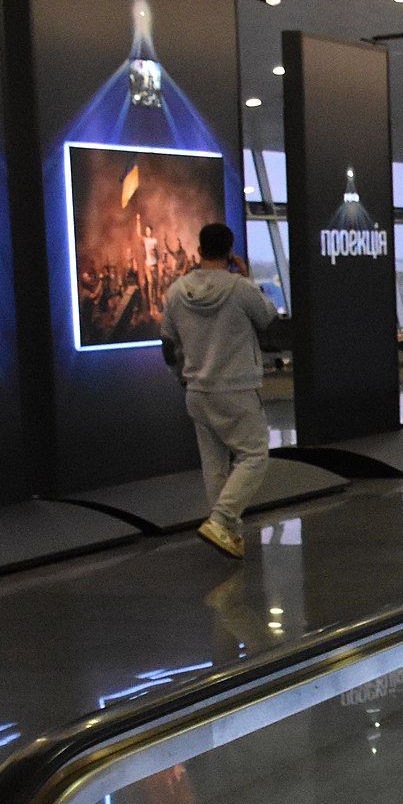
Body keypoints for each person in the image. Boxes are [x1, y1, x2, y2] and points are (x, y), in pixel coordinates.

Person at [162, 222, 279, 558]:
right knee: (254, 455)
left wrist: (181, 377)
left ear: (199, 251)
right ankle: (221, 519)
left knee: (214, 465)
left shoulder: (175, 292)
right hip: (238, 388)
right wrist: (246, 276)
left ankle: (228, 533)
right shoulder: (239, 289)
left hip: (197, 391)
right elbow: (268, 316)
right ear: (230, 253)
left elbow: (168, 345)